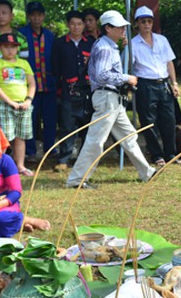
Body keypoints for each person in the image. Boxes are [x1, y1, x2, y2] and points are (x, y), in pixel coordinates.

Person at [65, 10, 156, 189]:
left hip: (111, 98)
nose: (123, 29)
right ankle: (76, 180)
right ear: (107, 28)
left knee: (129, 136)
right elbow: (102, 74)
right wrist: (126, 78)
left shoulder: (107, 45)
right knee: (96, 141)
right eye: (119, 26)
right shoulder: (106, 47)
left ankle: (146, 172)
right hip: (107, 97)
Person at [131, 6, 179, 167]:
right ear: (137, 23)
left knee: (169, 120)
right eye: (143, 21)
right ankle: (156, 154)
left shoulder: (161, 39)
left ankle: (171, 153)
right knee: (148, 121)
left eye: (149, 21)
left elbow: (169, 62)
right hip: (145, 84)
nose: (146, 24)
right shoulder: (133, 44)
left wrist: (174, 83)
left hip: (163, 83)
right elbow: (129, 67)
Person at [0, 33, 35, 177]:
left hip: (23, 104)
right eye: (6, 47)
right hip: (4, 104)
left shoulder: (24, 63)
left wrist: (28, 100)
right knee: (6, 136)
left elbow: (32, 83)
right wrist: (9, 101)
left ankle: (20, 165)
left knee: (21, 136)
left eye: (13, 47)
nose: (10, 50)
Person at [52, 10, 94, 173]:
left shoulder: (90, 43)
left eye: (79, 24)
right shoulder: (60, 43)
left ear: (84, 25)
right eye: (72, 24)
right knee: (67, 125)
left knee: (87, 124)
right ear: (68, 25)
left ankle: (84, 158)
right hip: (67, 90)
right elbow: (55, 67)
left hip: (87, 90)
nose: (76, 27)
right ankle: (64, 158)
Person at [19, 2, 56, 162]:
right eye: (33, 14)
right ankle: (31, 151)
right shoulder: (21, 34)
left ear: (43, 16)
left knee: (50, 119)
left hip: (49, 83)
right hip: (29, 85)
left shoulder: (50, 35)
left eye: (39, 14)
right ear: (28, 16)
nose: (36, 18)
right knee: (31, 119)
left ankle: (49, 149)